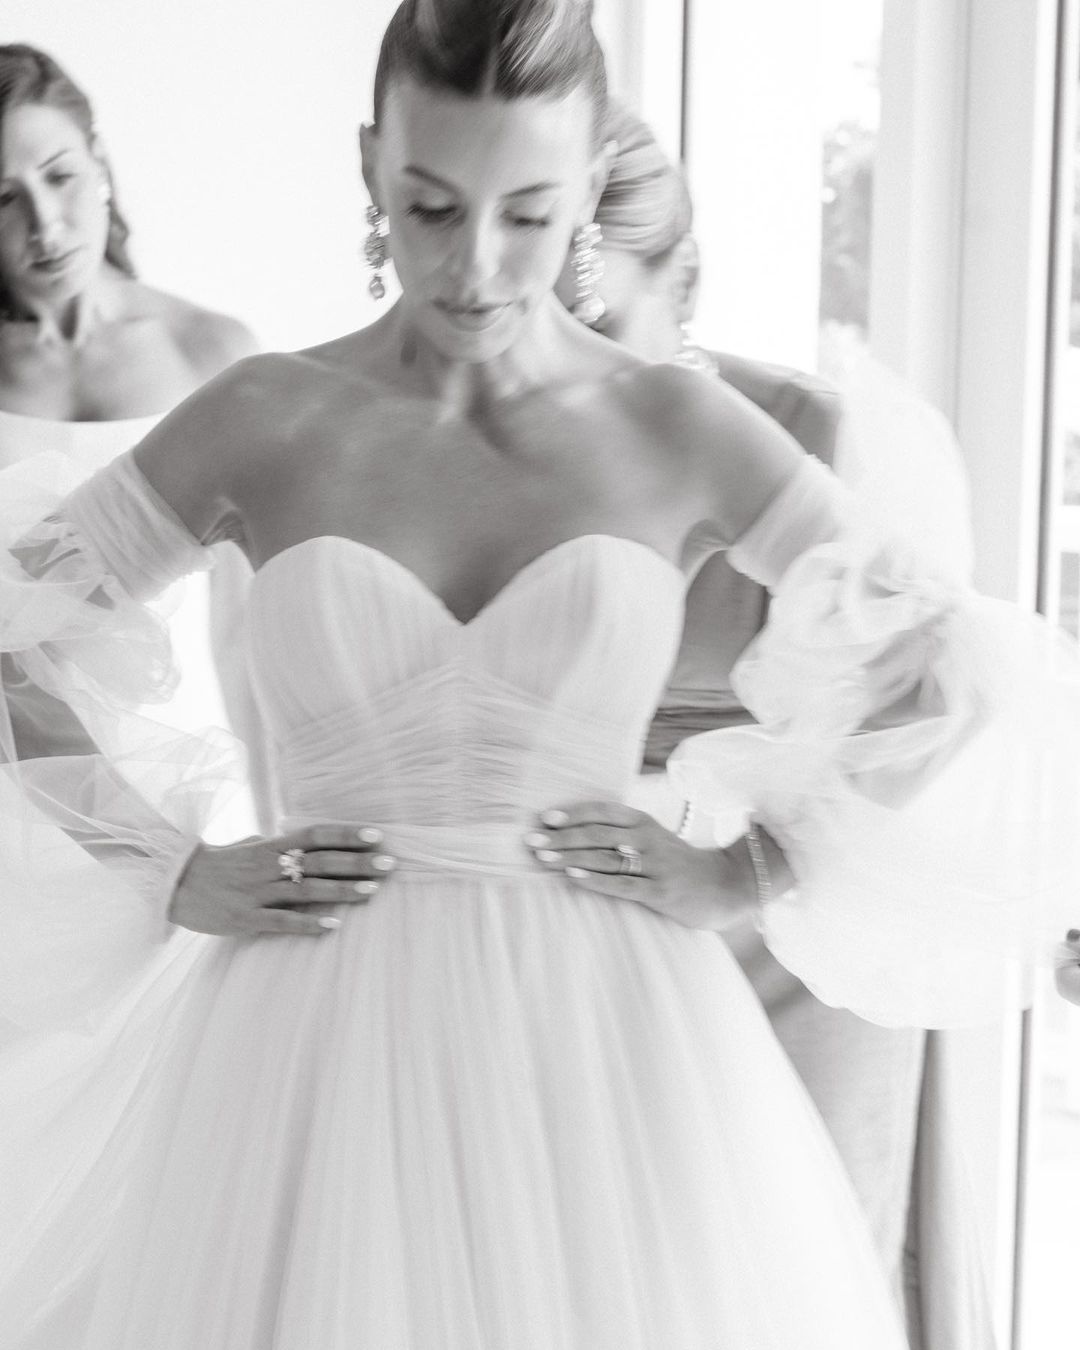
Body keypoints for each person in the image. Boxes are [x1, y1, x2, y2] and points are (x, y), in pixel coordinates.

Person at [0, 3, 1076, 1346]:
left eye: (527, 212)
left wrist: (748, 868)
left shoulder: (678, 426)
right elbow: (15, 639)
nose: (475, 264)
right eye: (431, 206)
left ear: (586, 187)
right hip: (307, 1043)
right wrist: (168, 867)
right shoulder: (264, 414)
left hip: (607, 1044)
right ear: (370, 165)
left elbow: (942, 673)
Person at [552, 101, 992, 1350]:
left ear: (685, 281)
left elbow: (941, 698)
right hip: (589, 933)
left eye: (602, 330)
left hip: (796, 923)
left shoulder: (814, 440)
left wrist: (742, 872)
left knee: (800, 1279)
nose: (566, 378)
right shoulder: (491, 444)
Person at [0, 44, 256, 770]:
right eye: (3, 198)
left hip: (177, 767)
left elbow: (248, 631)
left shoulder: (211, 353)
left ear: (101, 164)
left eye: (59, 176)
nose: (45, 225)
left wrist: (274, 811)